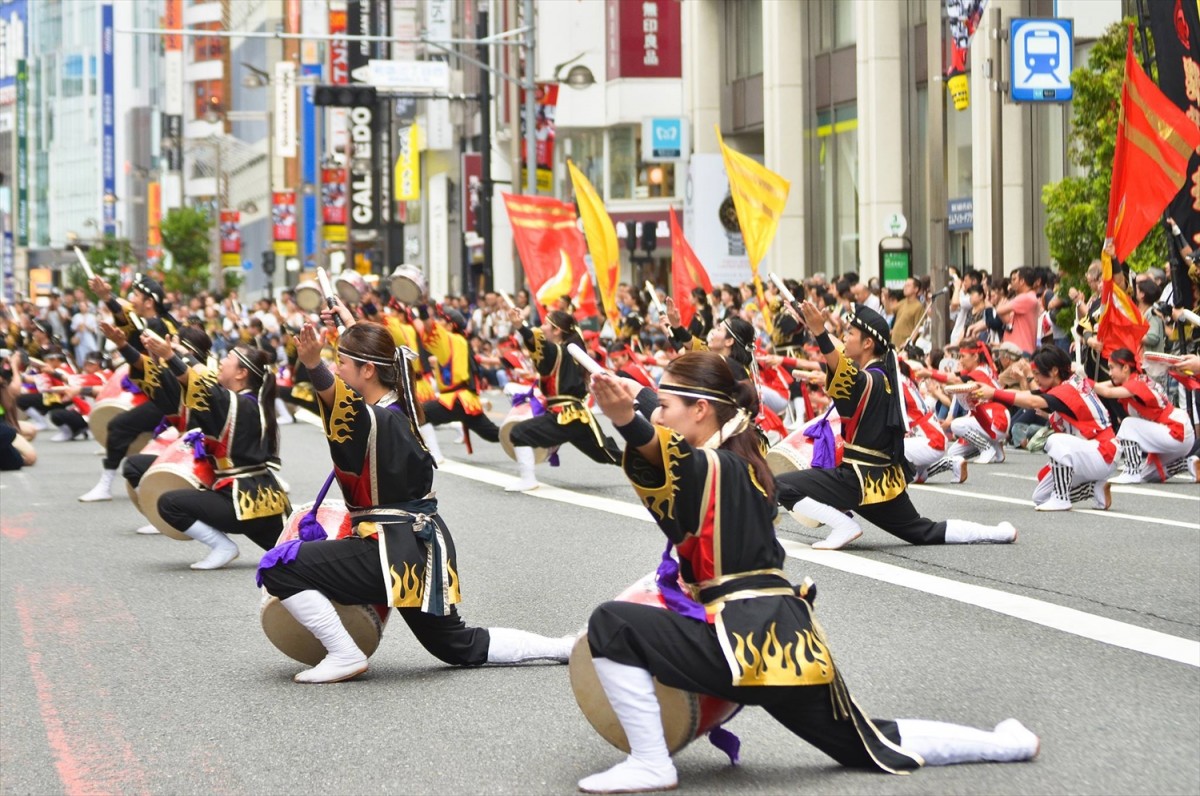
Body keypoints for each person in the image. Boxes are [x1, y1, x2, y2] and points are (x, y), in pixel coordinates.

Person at [578, 352, 1039, 794]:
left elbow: (670, 457)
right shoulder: (745, 461)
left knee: (611, 623)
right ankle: (1003, 744)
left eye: (665, 407)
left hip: (742, 640)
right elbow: (671, 457)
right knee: (868, 740)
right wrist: (635, 402)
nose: (658, 417)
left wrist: (625, 420)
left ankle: (651, 762)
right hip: (786, 641)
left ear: (700, 410)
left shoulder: (716, 467)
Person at [257, 319, 575, 683]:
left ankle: (344, 653)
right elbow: (360, 373)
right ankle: (560, 647)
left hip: (386, 548)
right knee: (455, 644)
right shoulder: (396, 407)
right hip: (416, 546)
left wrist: (313, 364)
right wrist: (345, 324)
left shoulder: (370, 417)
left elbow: (341, 402)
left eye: (340, 362)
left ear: (368, 370)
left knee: (279, 567)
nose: (335, 369)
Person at [773, 302, 1015, 549]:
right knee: (923, 531)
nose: (844, 338)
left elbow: (843, 366)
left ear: (867, 344)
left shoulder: (869, 379)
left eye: (850, 334)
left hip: (854, 479)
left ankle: (843, 525)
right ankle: (997, 532)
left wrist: (820, 332)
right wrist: (814, 328)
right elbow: (842, 357)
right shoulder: (882, 375)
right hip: (882, 480)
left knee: (778, 485)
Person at [142, 333, 290, 568]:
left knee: (168, 503)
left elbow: (200, 385)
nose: (221, 361)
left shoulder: (237, 404)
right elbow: (203, 380)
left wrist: (170, 355)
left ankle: (223, 546)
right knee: (292, 556)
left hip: (239, 502)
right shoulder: (253, 403)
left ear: (241, 373)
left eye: (228, 357)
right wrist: (179, 353)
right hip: (268, 503)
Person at [974, 346, 1115, 512]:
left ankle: (1061, 499)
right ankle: (1093, 489)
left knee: (1055, 441)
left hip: (1102, 451)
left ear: (1054, 370)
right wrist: (988, 390)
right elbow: (1030, 395)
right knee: (1040, 497)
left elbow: (1033, 401)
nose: (1035, 378)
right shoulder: (1065, 385)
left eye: (1038, 373)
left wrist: (993, 393)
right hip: (1089, 453)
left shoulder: (1068, 389)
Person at [79, 274, 178, 502]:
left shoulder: (157, 326)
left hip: (171, 399)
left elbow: (131, 328)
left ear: (149, 302)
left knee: (119, 427)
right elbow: (130, 324)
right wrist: (106, 297)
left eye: (135, 295)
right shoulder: (163, 322)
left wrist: (108, 298)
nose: (132, 300)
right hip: (168, 394)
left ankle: (148, 495)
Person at [502, 308, 621, 491]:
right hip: (576, 416)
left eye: (545, 324)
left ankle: (528, 480)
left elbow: (538, 344)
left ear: (557, 330)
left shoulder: (559, 351)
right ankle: (652, 465)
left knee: (519, 433)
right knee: (607, 454)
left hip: (565, 415)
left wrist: (520, 326)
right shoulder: (569, 352)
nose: (542, 328)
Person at [1095, 348, 1197, 483]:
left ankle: (1131, 471)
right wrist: (1084, 383)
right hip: (1176, 431)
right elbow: (1104, 386)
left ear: (1125, 368)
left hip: (1175, 429)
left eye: (1112, 367)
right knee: (1148, 475)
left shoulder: (1136, 384)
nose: (1109, 372)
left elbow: (1107, 392)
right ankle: (1189, 463)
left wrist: (1083, 383)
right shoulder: (1135, 380)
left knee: (1128, 424)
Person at [415, 305, 501, 463]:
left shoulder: (451, 339)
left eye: (441, 320)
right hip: (464, 400)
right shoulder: (460, 340)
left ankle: (436, 455)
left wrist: (421, 308)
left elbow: (429, 327)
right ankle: (527, 437)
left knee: (419, 413)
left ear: (450, 325)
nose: (438, 323)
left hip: (456, 400)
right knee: (493, 434)